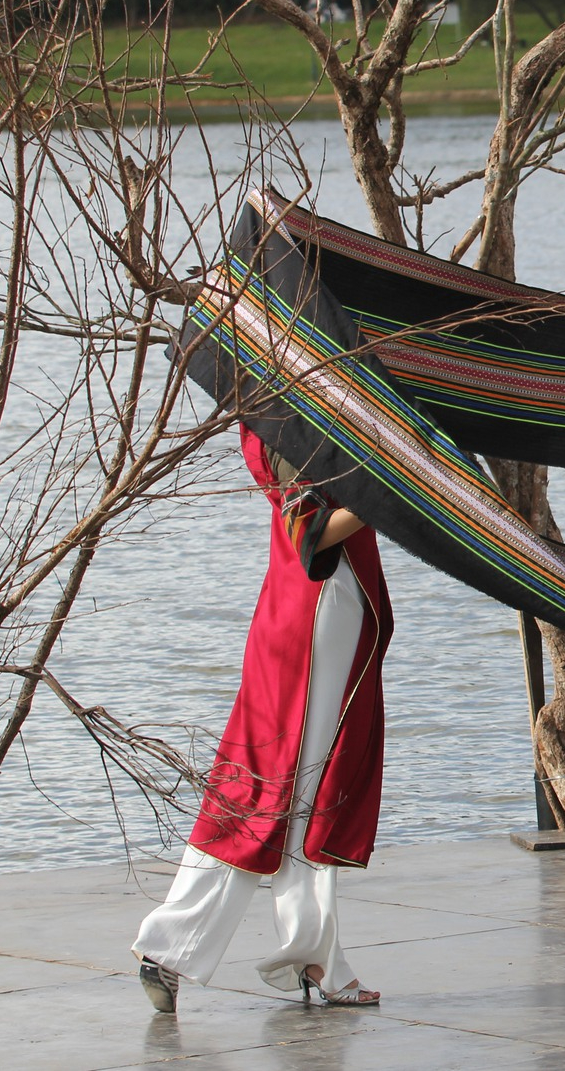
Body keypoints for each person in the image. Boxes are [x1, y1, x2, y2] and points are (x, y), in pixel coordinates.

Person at [133, 425, 393, 1012]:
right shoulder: (284, 419)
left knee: (281, 788)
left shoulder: (277, 408)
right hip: (314, 616)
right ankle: (177, 944)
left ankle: (311, 954)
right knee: (282, 791)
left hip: (297, 611)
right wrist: (393, 486)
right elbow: (311, 533)